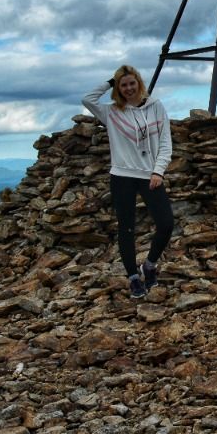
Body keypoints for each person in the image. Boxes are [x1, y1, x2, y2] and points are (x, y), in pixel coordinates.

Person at [83, 65, 174, 299]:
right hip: (122, 176)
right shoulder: (111, 112)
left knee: (166, 224)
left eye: (132, 83)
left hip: (151, 176)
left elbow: (165, 143)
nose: (128, 88)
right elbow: (87, 99)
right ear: (118, 88)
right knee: (127, 228)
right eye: (123, 85)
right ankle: (133, 278)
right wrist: (110, 82)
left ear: (139, 83)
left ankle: (150, 265)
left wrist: (159, 171)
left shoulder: (156, 107)